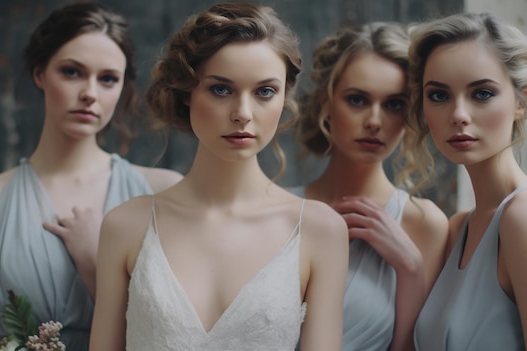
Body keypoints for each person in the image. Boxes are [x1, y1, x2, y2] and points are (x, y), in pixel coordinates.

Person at [89, 3, 349, 350]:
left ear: (284, 97)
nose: (242, 113)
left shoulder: (321, 230)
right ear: (186, 94)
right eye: (221, 89)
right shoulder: (126, 225)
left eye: (264, 92)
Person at [0, 3, 182, 350]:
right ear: (39, 73)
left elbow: (181, 334)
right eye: (72, 72)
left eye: (108, 78)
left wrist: (95, 262)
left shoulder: (163, 193)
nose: (90, 92)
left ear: (122, 88)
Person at [292, 22, 448, 351]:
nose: (375, 121)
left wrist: (410, 268)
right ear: (326, 103)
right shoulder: (279, 209)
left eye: (394, 105)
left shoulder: (425, 224)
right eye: (358, 100)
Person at [408, 12, 527, 350]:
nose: (458, 114)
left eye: (482, 94)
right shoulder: (459, 228)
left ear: (521, 102)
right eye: (440, 96)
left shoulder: (521, 217)